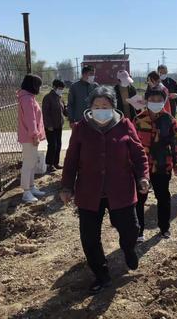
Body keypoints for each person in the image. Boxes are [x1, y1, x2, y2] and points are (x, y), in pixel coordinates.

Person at [60, 86, 150, 294]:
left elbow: (138, 156)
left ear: (113, 107)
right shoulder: (81, 128)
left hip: (121, 189)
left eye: (105, 106)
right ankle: (101, 274)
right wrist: (66, 186)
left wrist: (143, 177)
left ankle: (128, 249)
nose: (101, 109)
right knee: (89, 238)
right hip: (89, 192)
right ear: (90, 107)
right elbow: (71, 159)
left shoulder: (125, 125)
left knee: (130, 230)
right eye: (97, 106)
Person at [134, 87, 177, 241]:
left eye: (159, 100)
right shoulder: (138, 120)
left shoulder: (170, 120)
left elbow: (176, 143)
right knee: (140, 199)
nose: (155, 103)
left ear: (164, 101)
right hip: (143, 167)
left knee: (163, 197)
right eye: (152, 100)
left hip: (163, 164)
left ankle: (164, 228)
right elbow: (132, 145)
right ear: (146, 101)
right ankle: (139, 230)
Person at [17, 74, 47, 203]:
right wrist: (35, 135)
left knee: (32, 162)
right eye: (38, 85)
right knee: (28, 164)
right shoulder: (27, 99)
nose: (39, 88)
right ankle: (26, 192)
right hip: (30, 137)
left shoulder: (27, 97)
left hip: (30, 136)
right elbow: (31, 119)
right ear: (33, 85)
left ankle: (31, 187)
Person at [42, 79, 67, 173]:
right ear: (54, 87)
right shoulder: (47, 98)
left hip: (59, 125)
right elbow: (45, 113)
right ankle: (49, 164)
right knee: (52, 145)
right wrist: (48, 125)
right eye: (60, 88)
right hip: (50, 126)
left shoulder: (60, 97)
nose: (61, 90)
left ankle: (56, 163)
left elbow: (64, 110)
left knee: (58, 145)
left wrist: (67, 111)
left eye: (62, 88)